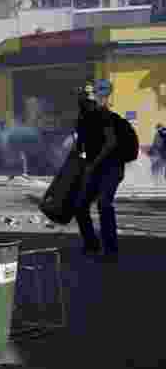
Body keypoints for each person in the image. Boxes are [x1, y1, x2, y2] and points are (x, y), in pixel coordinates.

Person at [71, 84, 136, 262]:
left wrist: (93, 164)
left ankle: (111, 251)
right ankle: (91, 244)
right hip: (97, 167)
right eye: (82, 100)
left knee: (104, 204)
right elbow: (81, 147)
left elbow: (111, 143)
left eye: (88, 100)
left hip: (112, 166)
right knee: (80, 206)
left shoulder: (104, 115)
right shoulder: (82, 120)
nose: (85, 103)